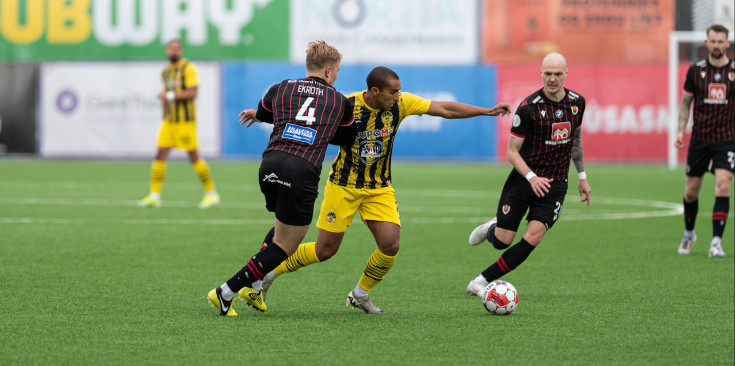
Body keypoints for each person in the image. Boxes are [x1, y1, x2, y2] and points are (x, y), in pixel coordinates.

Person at [253, 66, 511, 314]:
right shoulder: (346, 105)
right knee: (325, 251)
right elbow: (306, 119)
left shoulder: (402, 104)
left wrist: (485, 111)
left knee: (390, 244)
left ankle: (360, 295)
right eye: (393, 92)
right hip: (343, 186)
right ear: (375, 91)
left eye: (399, 91)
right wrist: (261, 114)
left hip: (379, 188)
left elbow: (443, 108)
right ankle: (268, 274)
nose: (397, 96)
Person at [207, 40, 356, 316]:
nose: (336, 75)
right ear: (327, 71)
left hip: (270, 164)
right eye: (336, 70)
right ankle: (225, 292)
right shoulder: (339, 100)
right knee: (286, 245)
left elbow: (265, 113)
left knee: (281, 227)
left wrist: (262, 116)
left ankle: (252, 286)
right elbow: (346, 138)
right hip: (302, 170)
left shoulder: (281, 87)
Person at [465, 53, 591, 295]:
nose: (552, 79)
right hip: (525, 180)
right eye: (548, 73)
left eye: (557, 74)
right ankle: (491, 227)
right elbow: (512, 152)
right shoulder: (528, 107)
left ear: (566, 73)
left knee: (533, 237)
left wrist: (582, 177)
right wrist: (532, 177)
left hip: (555, 184)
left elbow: (575, 139)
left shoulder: (577, 103)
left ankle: (480, 280)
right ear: (541, 73)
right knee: (503, 241)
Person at [137, 39, 220, 209]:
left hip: (185, 121)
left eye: (176, 48)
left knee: (193, 156)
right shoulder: (165, 72)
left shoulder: (188, 68)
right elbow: (165, 94)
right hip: (169, 122)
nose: (173, 51)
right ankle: (154, 195)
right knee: (160, 154)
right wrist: (164, 111)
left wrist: (168, 97)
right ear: (167, 51)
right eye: (171, 48)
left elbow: (192, 92)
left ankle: (211, 193)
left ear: (181, 51)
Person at [674, 24, 734, 258]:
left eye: (721, 41)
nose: (717, 45)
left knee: (724, 185)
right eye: (713, 41)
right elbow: (685, 105)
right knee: (691, 192)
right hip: (700, 139)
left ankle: (716, 242)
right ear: (706, 43)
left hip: (727, 139)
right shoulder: (695, 71)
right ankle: (689, 233)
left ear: (727, 44)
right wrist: (680, 131)